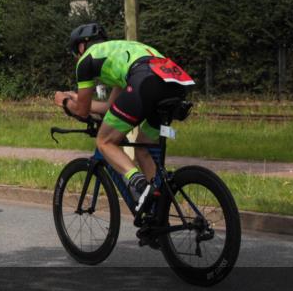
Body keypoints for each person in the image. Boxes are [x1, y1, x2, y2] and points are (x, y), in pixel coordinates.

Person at [54, 23, 194, 217]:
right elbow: (110, 108)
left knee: (105, 141)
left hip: (145, 80)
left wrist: (65, 102)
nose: (77, 58)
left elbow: (83, 112)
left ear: (80, 47)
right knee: (143, 148)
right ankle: (157, 211)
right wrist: (77, 99)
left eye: (75, 53)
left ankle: (141, 186)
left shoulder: (86, 59)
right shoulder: (119, 54)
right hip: (172, 81)